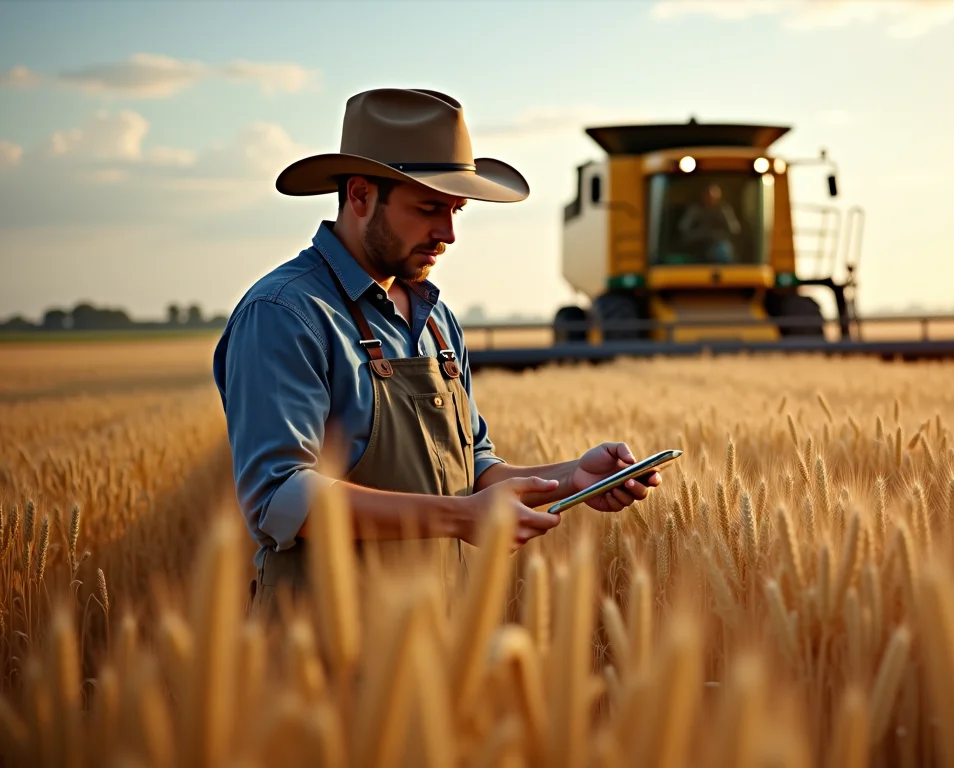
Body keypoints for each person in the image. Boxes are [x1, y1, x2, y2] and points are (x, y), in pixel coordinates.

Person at [212, 88, 660, 616]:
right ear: (359, 195)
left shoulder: (436, 320)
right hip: (317, 651)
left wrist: (572, 479)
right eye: (428, 208)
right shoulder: (285, 314)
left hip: (431, 641)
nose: (447, 233)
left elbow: (471, 467)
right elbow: (280, 500)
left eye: (456, 210)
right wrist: (461, 516)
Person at [676, 183, 741, 264]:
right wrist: (698, 233)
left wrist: (719, 230)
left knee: (724, 251)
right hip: (696, 244)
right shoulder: (695, 210)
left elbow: (735, 228)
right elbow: (683, 227)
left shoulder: (724, 210)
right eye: (707, 196)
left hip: (718, 243)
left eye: (713, 197)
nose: (710, 200)